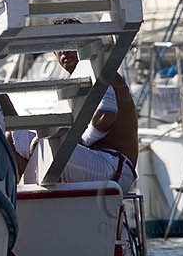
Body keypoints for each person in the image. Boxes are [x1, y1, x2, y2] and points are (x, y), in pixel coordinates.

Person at [10, 33, 139, 194]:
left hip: (114, 164)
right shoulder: (78, 82)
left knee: (41, 145)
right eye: (59, 48)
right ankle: (22, 195)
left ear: (85, 46)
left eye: (70, 45)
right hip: (100, 162)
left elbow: (106, 116)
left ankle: (22, 200)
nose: (64, 52)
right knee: (15, 137)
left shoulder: (101, 72)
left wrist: (80, 142)